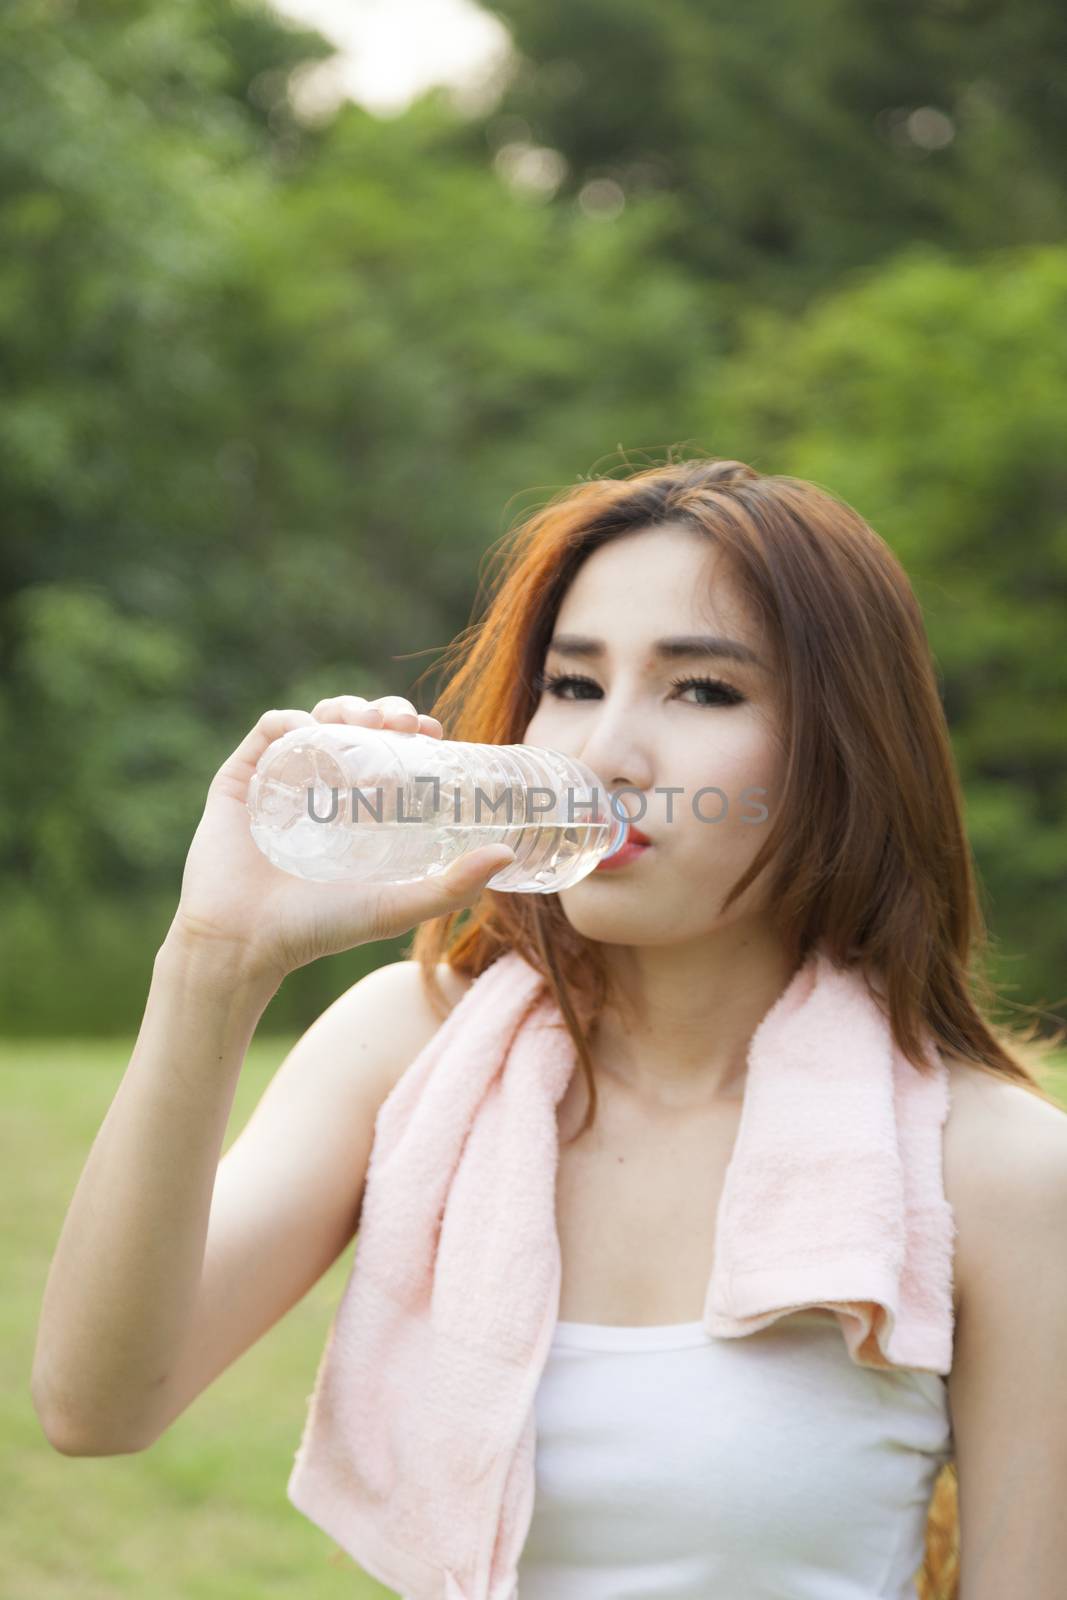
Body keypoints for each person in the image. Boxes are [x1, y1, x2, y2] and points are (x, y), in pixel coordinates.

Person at [32, 455, 1067, 1599]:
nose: (603, 755)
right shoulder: (409, 1046)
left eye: (702, 691)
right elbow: (95, 1404)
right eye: (572, 684)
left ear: (844, 758)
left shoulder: (992, 1172)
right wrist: (213, 964)